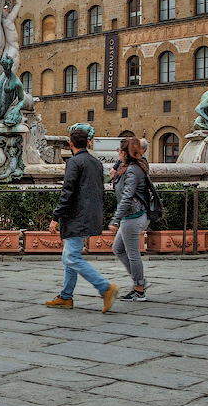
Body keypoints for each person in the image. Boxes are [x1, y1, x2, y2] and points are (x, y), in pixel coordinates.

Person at [46, 127, 118, 312]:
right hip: (90, 215)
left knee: (71, 257)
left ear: (70, 144)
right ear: (88, 143)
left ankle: (105, 287)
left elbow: (67, 192)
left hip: (75, 216)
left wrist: (56, 217)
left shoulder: (74, 162)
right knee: (68, 257)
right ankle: (66, 296)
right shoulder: (96, 163)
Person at [111, 137, 154, 301]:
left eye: (119, 150)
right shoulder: (128, 167)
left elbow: (127, 197)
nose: (118, 153)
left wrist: (115, 220)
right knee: (118, 249)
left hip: (132, 216)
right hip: (131, 216)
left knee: (133, 253)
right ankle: (140, 281)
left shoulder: (132, 170)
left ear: (125, 153)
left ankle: (139, 290)